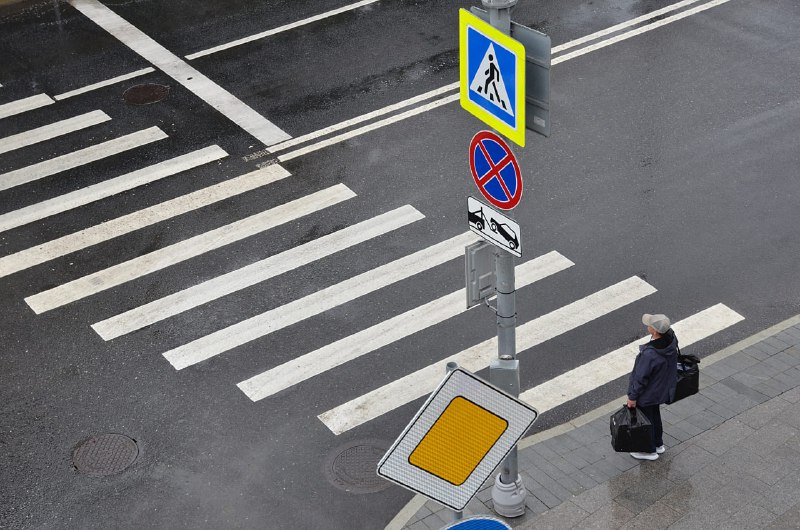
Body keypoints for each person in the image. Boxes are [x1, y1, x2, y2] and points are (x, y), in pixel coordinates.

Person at [627, 313, 678, 461]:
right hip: (661, 389)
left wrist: (632, 397)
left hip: (648, 394)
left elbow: (640, 378)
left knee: (646, 421)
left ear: (654, 331)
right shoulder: (671, 340)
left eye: (649, 325)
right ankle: (658, 444)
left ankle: (648, 451)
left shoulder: (650, 354)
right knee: (654, 416)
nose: (647, 326)